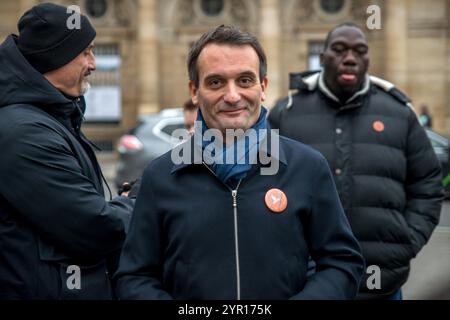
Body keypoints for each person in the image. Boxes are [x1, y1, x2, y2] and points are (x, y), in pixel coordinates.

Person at [114, 25, 364, 300]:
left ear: (263, 87)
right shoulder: (160, 176)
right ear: (195, 91)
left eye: (245, 80)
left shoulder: (307, 168)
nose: (232, 96)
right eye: (216, 82)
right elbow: (134, 277)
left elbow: (342, 264)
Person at [269, 22, 443, 300]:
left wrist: (405, 242)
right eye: (339, 50)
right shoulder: (286, 114)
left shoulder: (400, 114)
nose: (349, 58)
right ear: (322, 58)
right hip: (309, 286)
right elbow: (262, 188)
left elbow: (428, 185)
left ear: (367, 59)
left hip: (381, 284)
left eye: (359, 51)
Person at [0, 3, 137, 299]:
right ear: (55, 57)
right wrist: (138, 201)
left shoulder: (49, 117)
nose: (94, 63)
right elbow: (94, 226)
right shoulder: (23, 132)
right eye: (85, 52)